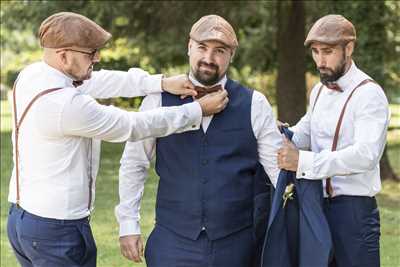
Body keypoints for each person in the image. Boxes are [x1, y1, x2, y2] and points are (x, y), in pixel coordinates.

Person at [7, 12, 229, 267]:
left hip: (23, 219)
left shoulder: (35, 74)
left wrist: (161, 83)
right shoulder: (65, 105)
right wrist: (198, 110)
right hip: (57, 230)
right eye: (90, 54)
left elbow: (100, 81)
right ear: (64, 56)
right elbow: (133, 125)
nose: (97, 58)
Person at [115, 14, 282, 267]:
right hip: (172, 241)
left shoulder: (254, 104)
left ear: (231, 56)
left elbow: (277, 172)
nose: (209, 58)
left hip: (237, 245)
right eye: (202, 47)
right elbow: (134, 163)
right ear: (189, 47)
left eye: (219, 51)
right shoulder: (157, 100)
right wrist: (128, 224)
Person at [278, 14, 390, 267]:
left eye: (327, 51)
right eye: (316, 52)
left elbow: (366, 155)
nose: (320, 60)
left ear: (348, 48)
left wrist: (304, 162)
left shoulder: (369, 94)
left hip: (354, 213)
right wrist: (281, 134)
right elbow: (306, 132)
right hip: (316, 207)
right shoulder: (318, 90)